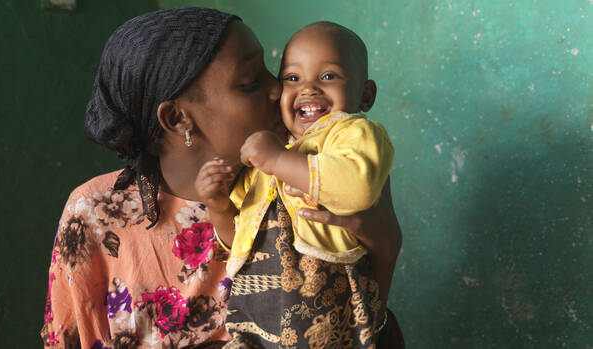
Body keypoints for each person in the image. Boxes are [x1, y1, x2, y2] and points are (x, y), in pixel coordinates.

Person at [41, 7, 404, 349]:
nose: (279, 89)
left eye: (272, 71)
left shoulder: (314, 173)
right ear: (178, 119)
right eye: (249, 82)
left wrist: (386, 246)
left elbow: (365, 323)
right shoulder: (96, 212)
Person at [195, 22, 394, 348]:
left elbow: (358, 189)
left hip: (324, 311)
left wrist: (275, 160)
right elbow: (241, 241)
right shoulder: (271, 151)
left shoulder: (351, 136)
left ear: (366, 94)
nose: (309, 88)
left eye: (328, 76)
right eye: (292, 78)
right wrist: (218, 205)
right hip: (254, 318)